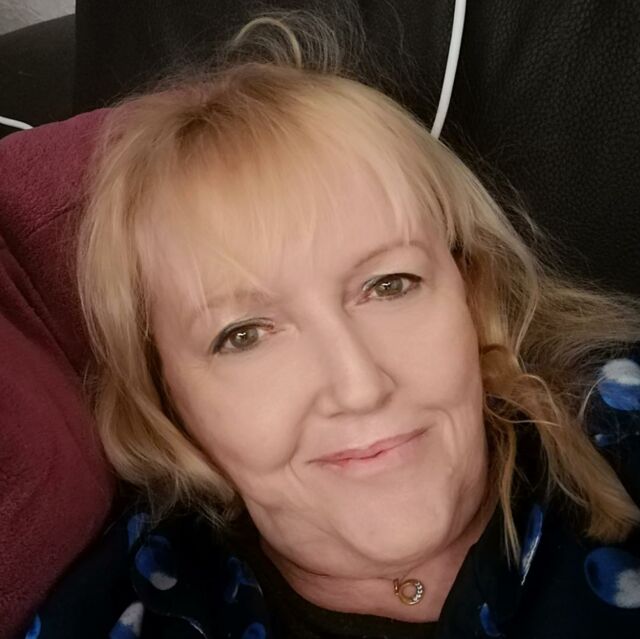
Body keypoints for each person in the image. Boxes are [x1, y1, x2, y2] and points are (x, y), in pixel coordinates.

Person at [27, 10, 640, 639]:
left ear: (471, 290)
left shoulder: (623, 425)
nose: (359, 386)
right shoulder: (130, 614)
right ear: (166, 396)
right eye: (244, 334)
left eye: (389, 285)